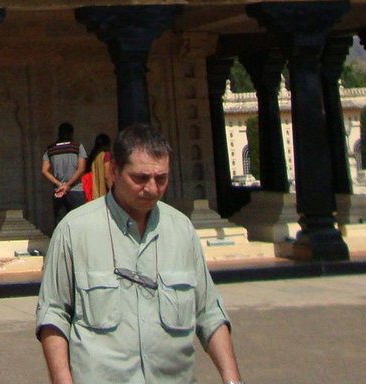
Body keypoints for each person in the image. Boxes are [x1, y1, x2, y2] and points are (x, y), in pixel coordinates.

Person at [37, 124, 241, 384]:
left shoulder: (181, 230)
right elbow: (53, 314)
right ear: (114, 171)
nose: (152, 189)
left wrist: (232, 378)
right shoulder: (74, 231)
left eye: (161, 178)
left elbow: (209, 312)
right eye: (140, 178)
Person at [43, 122, 88, 225]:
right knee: (79, 223)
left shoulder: (50, 149)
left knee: (60, 223)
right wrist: (68, 185)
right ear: (71, 133)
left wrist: (60, 185)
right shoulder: (78, 147)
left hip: (59, 191)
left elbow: (44, 170)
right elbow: (81, 169)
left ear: (59, 133)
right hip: (76, 190)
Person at [82, 133, 113, 202]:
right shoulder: (106, 155)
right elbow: (107, 176)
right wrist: (112, 192)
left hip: (92, 193)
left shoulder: (93, 156)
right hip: (103, 193)